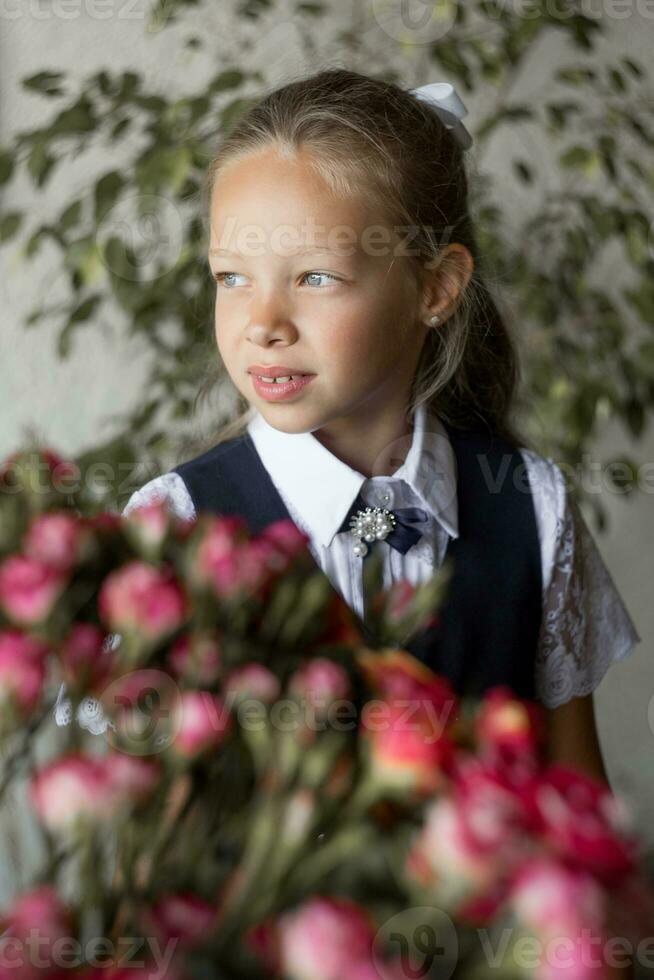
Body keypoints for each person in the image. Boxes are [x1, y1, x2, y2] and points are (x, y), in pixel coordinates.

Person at [55, 68, 640, 792]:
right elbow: (127, 832)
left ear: (435, 288)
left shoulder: (533, 509)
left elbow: (578, 809)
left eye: (315, 278)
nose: (263, 325)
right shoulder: (169, 532)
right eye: (231, 277)